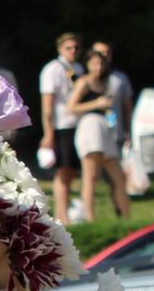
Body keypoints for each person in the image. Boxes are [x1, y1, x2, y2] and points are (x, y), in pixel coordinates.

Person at [68, 47, 131, 222]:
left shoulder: (106, 83)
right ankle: (90, 218)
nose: (98, 68)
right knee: (91, 176)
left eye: (101, 64)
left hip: (105, 129)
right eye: (95, 64)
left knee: (118, 176)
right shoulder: (84, 82)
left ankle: (126, 216)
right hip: (90, 128)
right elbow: (71, 107)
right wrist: (96, 103)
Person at [38, 31, 82, 223]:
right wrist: (49, 133)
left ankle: (67, 211)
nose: (73, 51)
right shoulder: (52, 70)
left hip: (77, 123)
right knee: (63, 171)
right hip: (61, 124)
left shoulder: (79, 68)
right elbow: (47, 105)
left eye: (75, 48)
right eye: (68, 48)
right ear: (60, 49)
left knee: (72, 170)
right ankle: (61, 215)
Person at [89, 41, 141, 194]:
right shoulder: (85, 80)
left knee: (116, 171)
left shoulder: (119, 78)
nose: (103, 57)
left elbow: (127, 107)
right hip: (93, 133)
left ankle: (119, 198)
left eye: (106, 53)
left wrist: (129, 130)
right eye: (99, 53)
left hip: (115, 130)